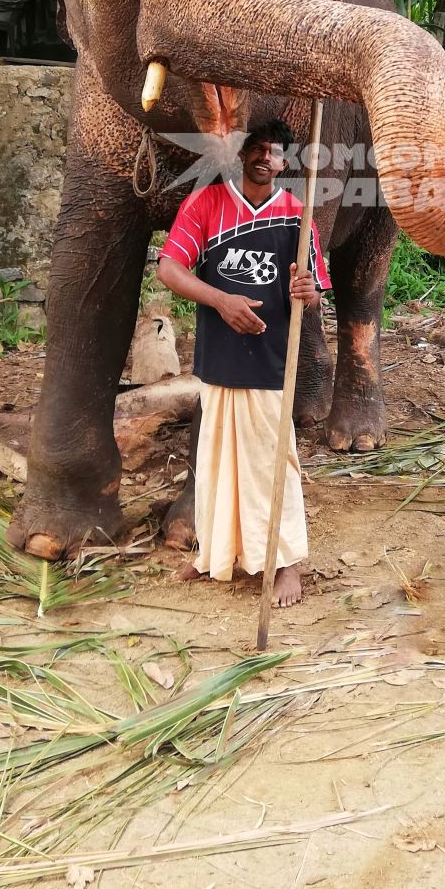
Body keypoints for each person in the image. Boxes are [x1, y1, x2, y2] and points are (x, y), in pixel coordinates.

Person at [157, 118, 330, 607]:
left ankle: (286, 561)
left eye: (273, 153)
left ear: (285, 163)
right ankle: (214, 553)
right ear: (241, 154)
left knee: (272, 463)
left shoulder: (299, 216)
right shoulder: (206, 203)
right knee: (214, 460)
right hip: (219, 356)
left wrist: (305, 292)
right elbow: (169, 267)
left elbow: (313, 291)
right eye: (255, 149)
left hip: (272, 360)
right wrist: (220, 300)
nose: (263, 158)